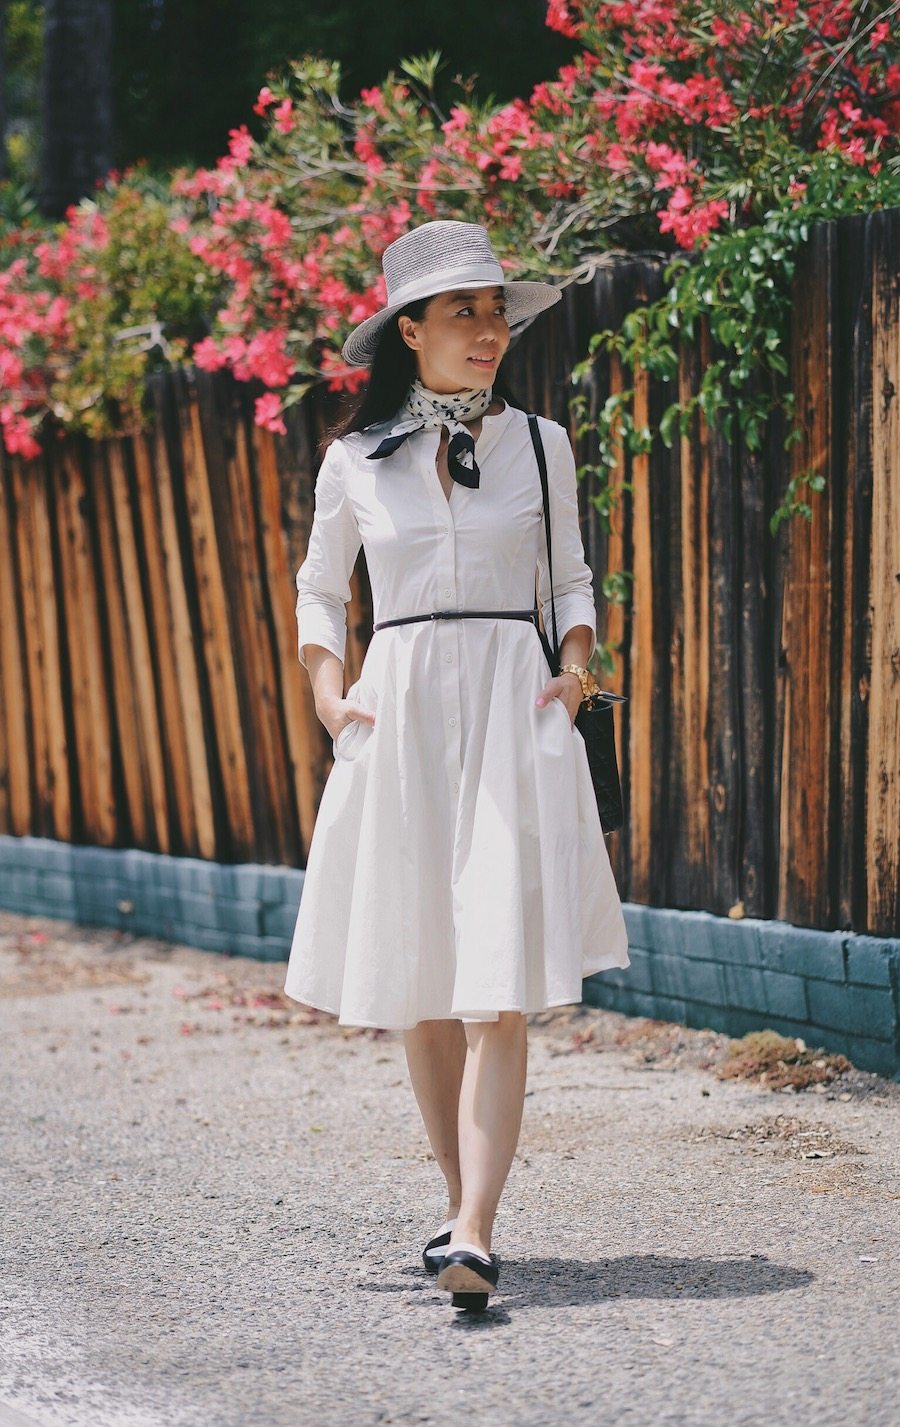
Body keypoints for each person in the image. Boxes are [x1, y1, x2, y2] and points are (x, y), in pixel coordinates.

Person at [283, 219, 631, 1311]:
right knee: (422, 979)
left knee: (498, 983)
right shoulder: (352, 460)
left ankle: (473, 1223)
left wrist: (575, 674)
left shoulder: (540, 443)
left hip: (509, 708)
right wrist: (332, 694)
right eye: (466, 312)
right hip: (398, 713)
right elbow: (315, 588)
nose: (490, 330)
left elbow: (570, 580)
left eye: (497, 311)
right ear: (411, 330)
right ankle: (460, 1209)